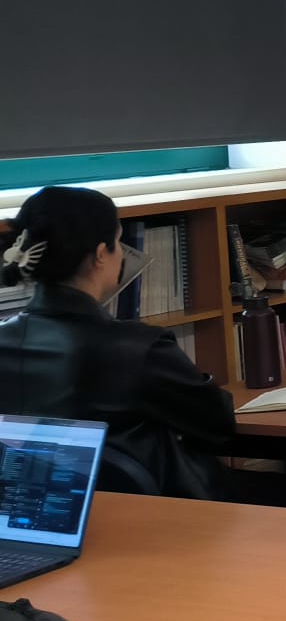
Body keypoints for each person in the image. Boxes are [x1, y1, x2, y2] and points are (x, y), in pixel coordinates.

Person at [0, 186, 235, 499]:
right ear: (100, 254)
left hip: (31, 513)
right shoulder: (139, 348)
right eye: (118, 242)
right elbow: (218, 425)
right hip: (155, 515)